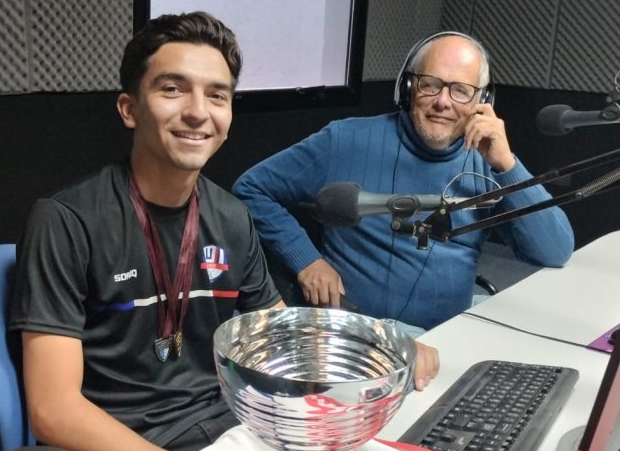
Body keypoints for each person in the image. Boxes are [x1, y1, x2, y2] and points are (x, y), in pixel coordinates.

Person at [9, 12, 440, 451]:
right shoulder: (66, 221)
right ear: (129, 108)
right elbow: (53, 410)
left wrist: (385, 344)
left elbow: (285, 336)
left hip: (230, 435)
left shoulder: (230, 216)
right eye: (173, 89)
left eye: (217, 95)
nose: (198, 112)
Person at [233, 31, 575, 334]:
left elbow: (555, 251)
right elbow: (252, 188)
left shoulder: (489, 163)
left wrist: (507, 164)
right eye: (431, 84)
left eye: (460, 91)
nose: (443, 102)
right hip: (358, 337)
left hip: (447, 338)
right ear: (409, 88)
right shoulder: (346, 140)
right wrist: (306, 260)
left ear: (482, 102)